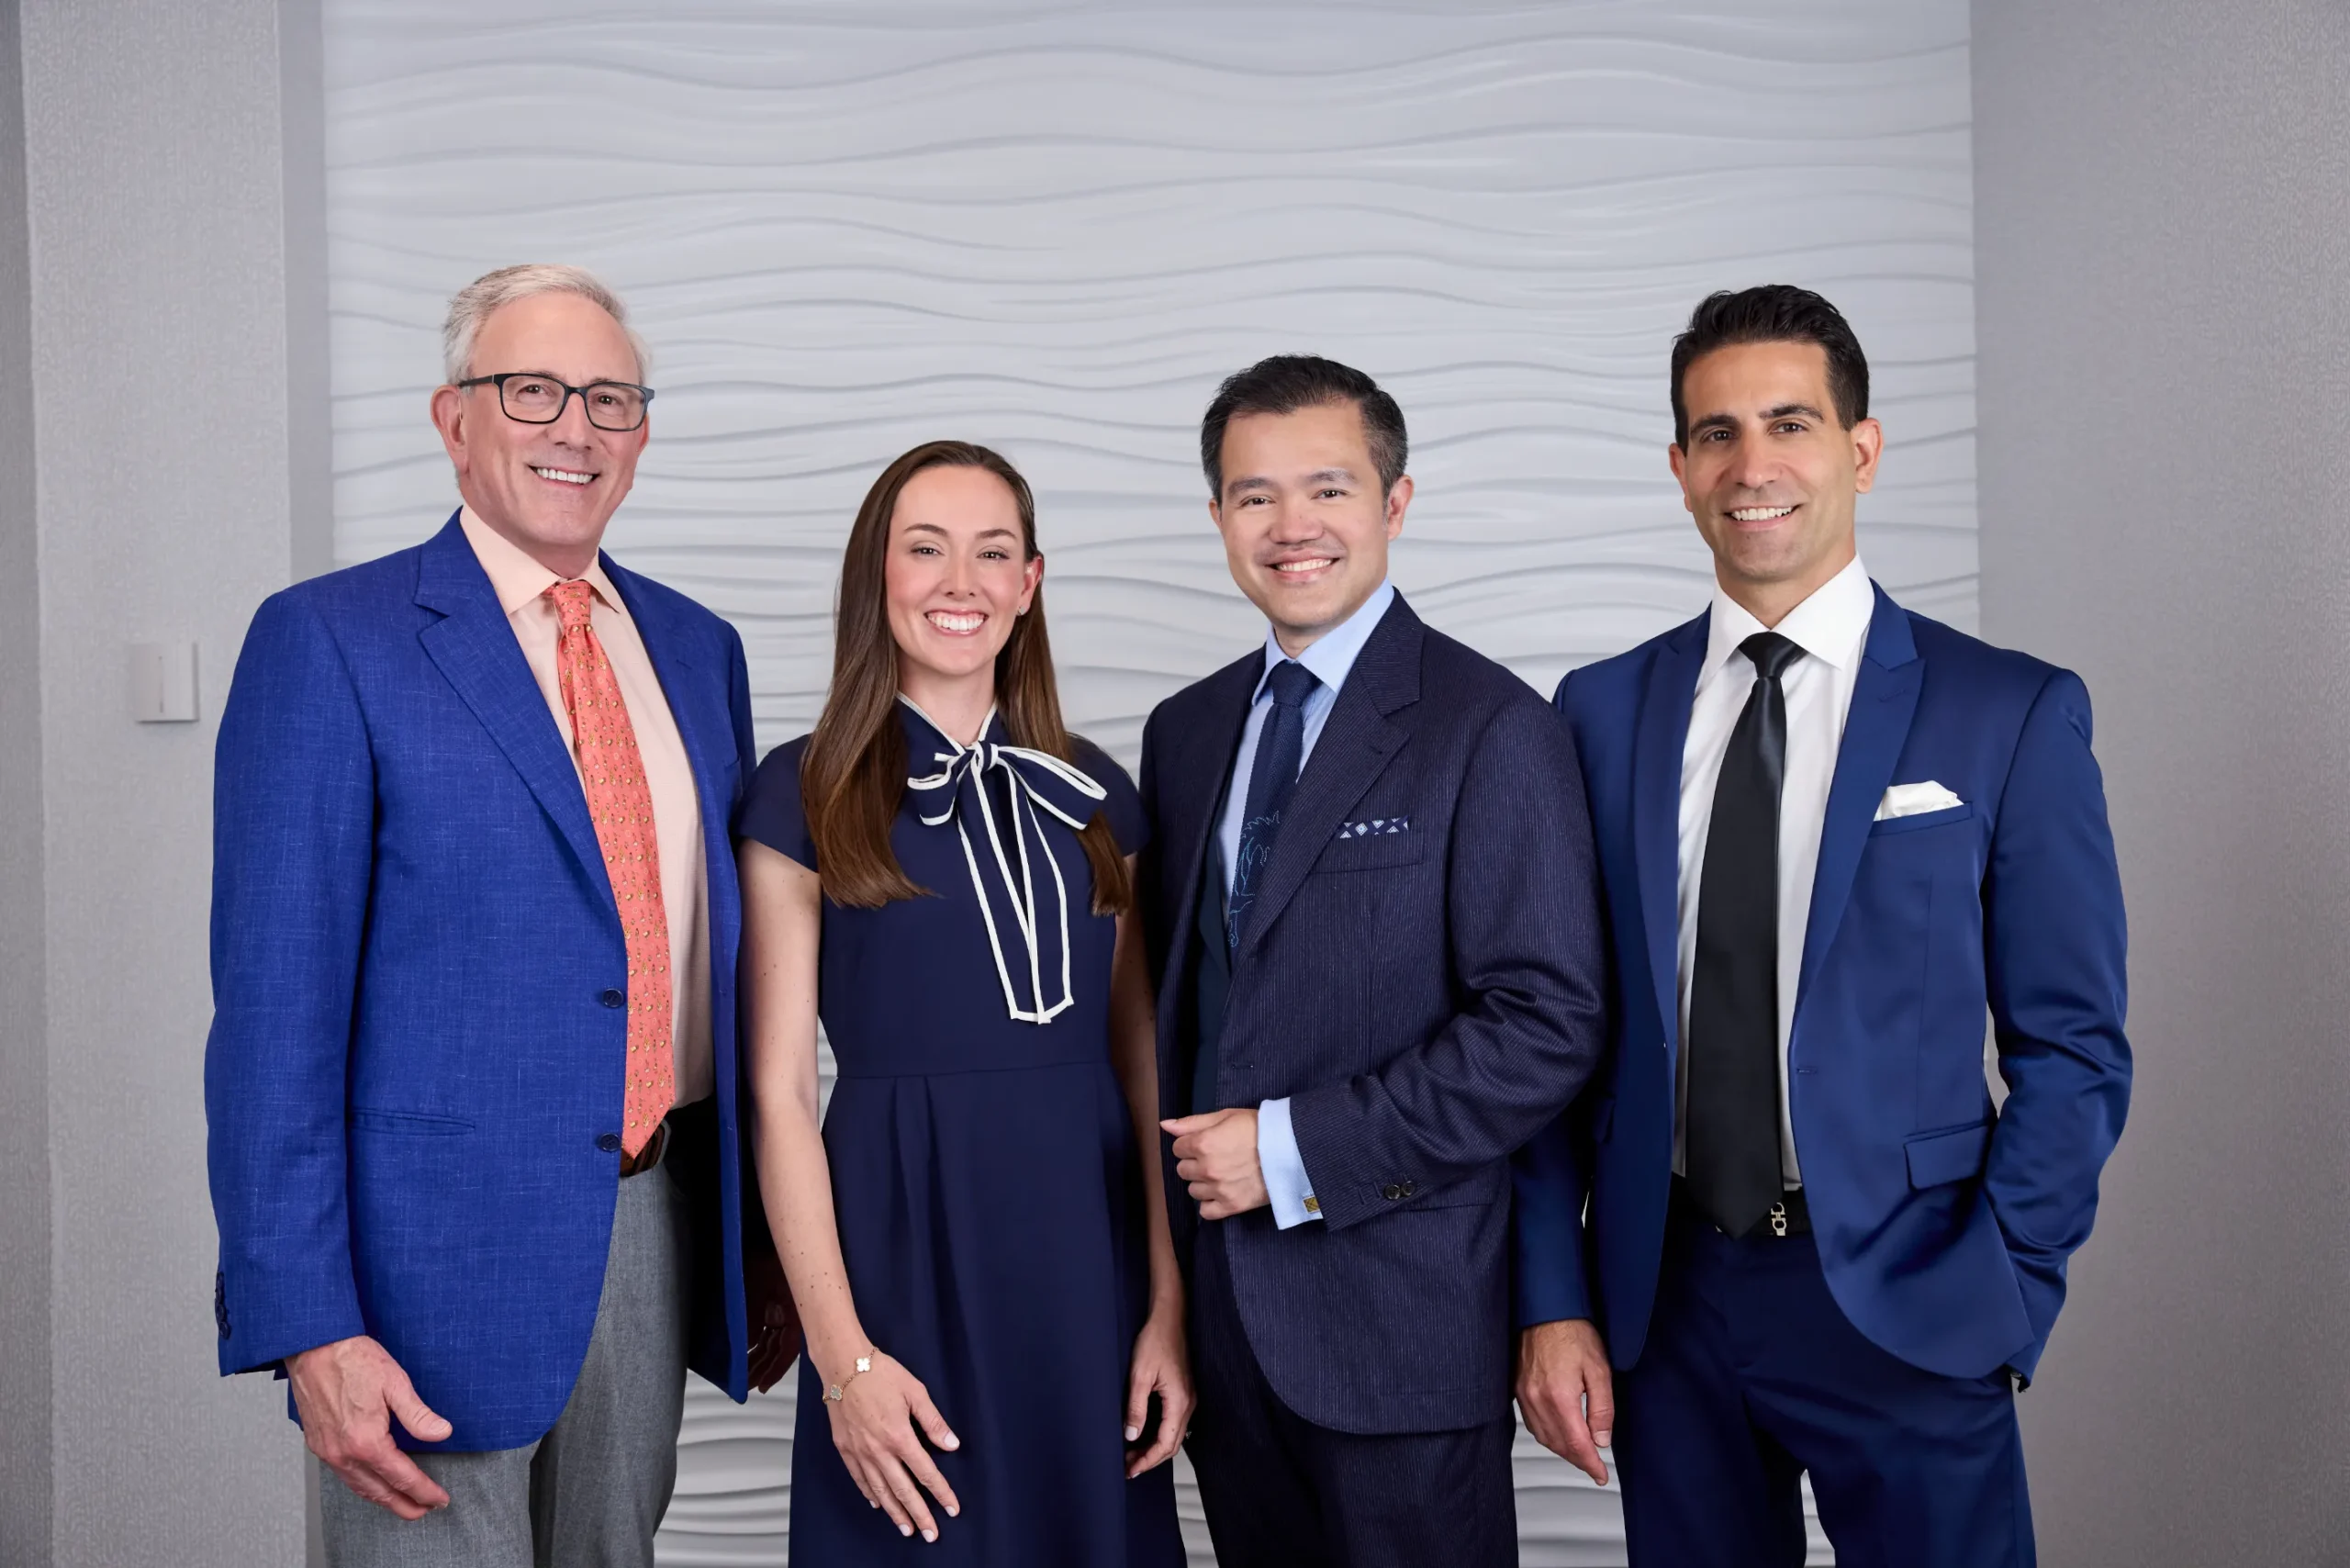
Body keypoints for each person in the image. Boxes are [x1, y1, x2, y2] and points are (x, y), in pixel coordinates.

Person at [1513, 285, 2132, 1567]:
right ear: (1680, 468)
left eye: (1789, 423)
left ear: (1860, 449)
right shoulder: (1599, 713)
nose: (1754, 466)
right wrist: (1554, 1301)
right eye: (1718, 433)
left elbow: (2073, 1046)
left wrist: (2001, 1285)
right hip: (1665, 1303)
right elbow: (1551, 1035)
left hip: (1912, 1299)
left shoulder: (2006, 712)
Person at [206, 264, 794, 1567]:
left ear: (642, 432)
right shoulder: (332, 641)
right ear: (451, 416)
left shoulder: (700, 651)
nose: (573, 428)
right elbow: (271, 1018)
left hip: (650, 1228)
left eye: (609, 398)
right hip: (417, 1271)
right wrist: (311, 1323)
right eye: (530, 390)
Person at [1138, 354, 1606, 1568]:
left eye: (1329, 489)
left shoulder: (1491, 725)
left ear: (1396, 505)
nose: (1292, 527)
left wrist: (1292, 1150)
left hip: (1403, 1329)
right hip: (1226, 1336)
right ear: (1217, 519)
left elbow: (1546, 1021)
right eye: (1254, 497)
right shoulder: (1185, 734)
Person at [736, 441, 1190, 1565]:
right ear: (873, 576)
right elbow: (780, 1093)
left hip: (1088, 1256)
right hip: (899, 1249)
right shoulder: (797, 792)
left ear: (1028, 585)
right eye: (925, 548)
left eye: (993, 553)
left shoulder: (1099, 794)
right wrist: (843, 1359)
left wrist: (1169, 1310)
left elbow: (1145, 1067)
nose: (961, 581)